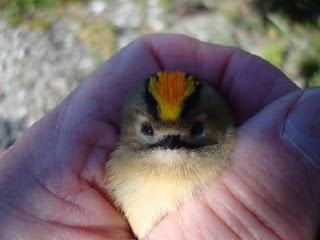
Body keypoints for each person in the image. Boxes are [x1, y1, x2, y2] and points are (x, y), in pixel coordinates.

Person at [0, 34, 319, 239]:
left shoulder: (241, 146)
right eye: (150, 131)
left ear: (217, 124)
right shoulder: (120, 170)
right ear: (129, 129)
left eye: (195, 130)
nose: (171, 143)